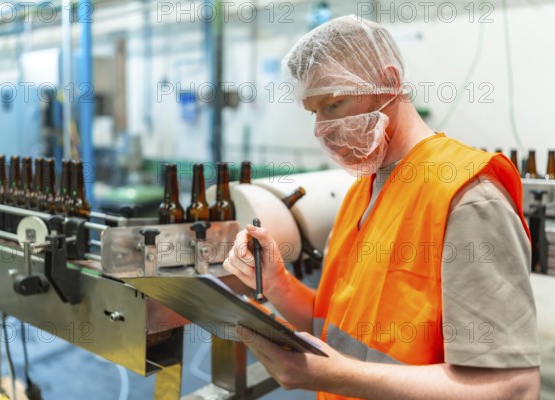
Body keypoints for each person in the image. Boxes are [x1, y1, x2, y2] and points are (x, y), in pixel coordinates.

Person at [223, 14, 540, 399]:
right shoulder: (364, 190)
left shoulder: (467, 195)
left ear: (388, 82)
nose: (321, 128)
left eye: (334, 104)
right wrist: (276, 282)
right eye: (314, 111)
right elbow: (336, 329)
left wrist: (337, 377)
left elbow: (511, 386)